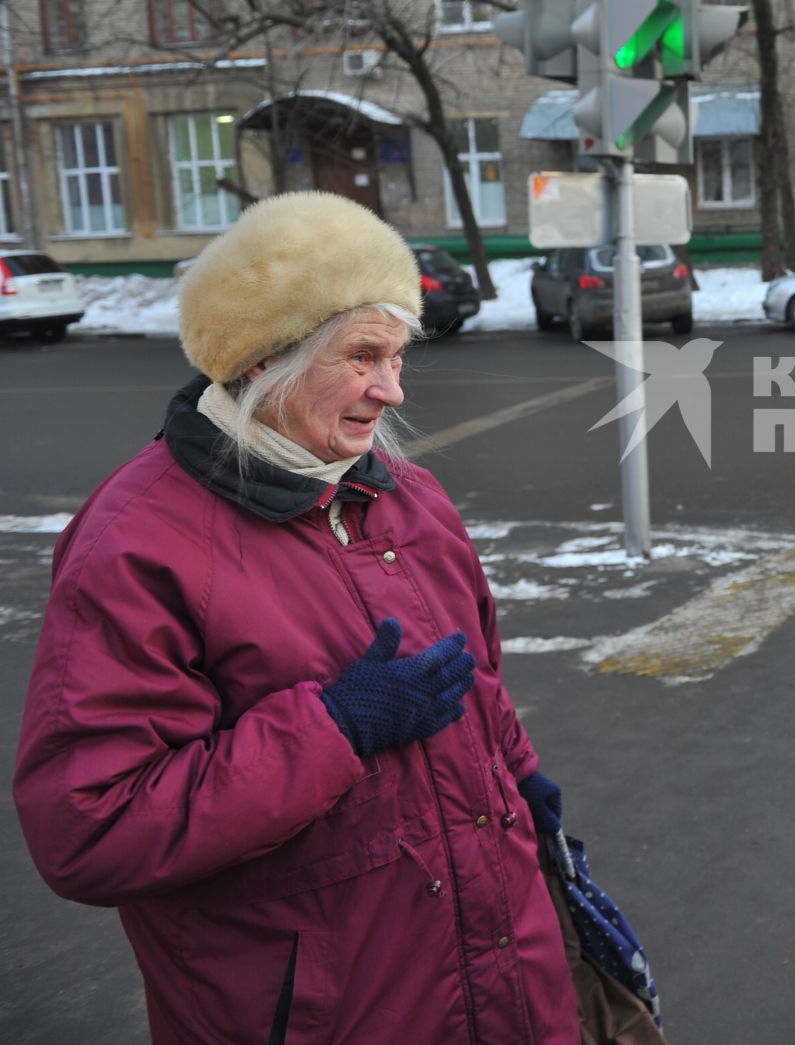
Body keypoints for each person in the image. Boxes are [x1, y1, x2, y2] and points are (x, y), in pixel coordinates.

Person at [13, 192, 579, 1044]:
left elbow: (476, 677)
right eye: (361, 356)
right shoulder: (137, 542)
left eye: (397, 357)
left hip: (502, 969)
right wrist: (333, 730)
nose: (390, 390)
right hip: (324, 1011)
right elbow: (90, 826)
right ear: (262, 361)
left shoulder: (410, 498)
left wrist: (520, 784)